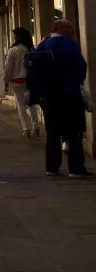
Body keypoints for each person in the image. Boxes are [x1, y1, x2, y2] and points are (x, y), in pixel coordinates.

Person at [34, 18, 91, 178]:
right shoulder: (68, 44)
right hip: (68, 92)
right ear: (60, 28)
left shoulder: (43, 45)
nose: (72, 30)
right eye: (69, 27)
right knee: (74, 131)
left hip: (48, 96)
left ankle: (52, 167)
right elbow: (80, 66)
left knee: (52, 132)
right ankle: (76, 168)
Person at [4, 26, 41, 137]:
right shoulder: (31, 49)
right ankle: (36, 126)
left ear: (18, 37)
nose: (13, 37)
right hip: (29, 79)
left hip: (16, 80)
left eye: (15, 35)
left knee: (20, 104)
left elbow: (9, 67)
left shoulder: (13, 50)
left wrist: (6, 79)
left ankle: (26, 128)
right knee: (31, 103)